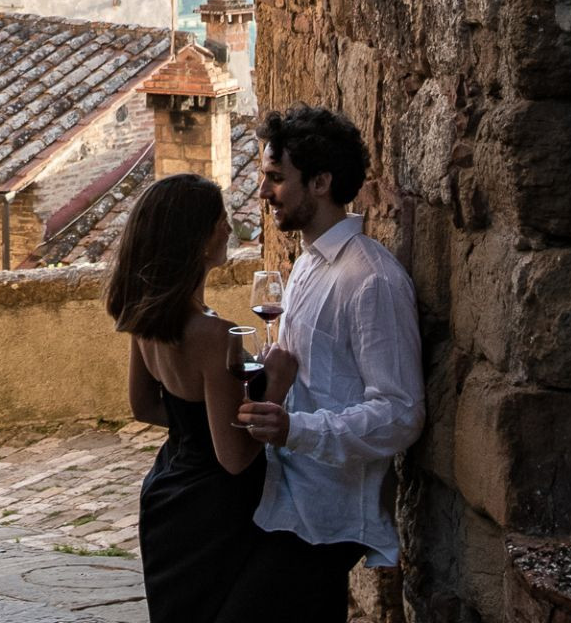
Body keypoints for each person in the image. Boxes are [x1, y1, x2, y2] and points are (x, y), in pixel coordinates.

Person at [220, 105, 424, 622]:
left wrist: (295, 429)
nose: (264, 193)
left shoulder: (372, 279)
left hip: (328, 512)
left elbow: (401, 413)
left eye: (275, 178)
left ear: (320, 182)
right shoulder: (309, 261)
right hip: (287, 496)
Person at [105, 173, 292, 623]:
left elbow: (144, 406)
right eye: (219, 220)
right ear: (194, 236)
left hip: (168, 492)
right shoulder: (215, 335)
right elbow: (234, 458)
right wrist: (279, 385)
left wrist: (199, 422)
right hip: (215, 509)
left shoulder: (149, 314)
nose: (228, 229)